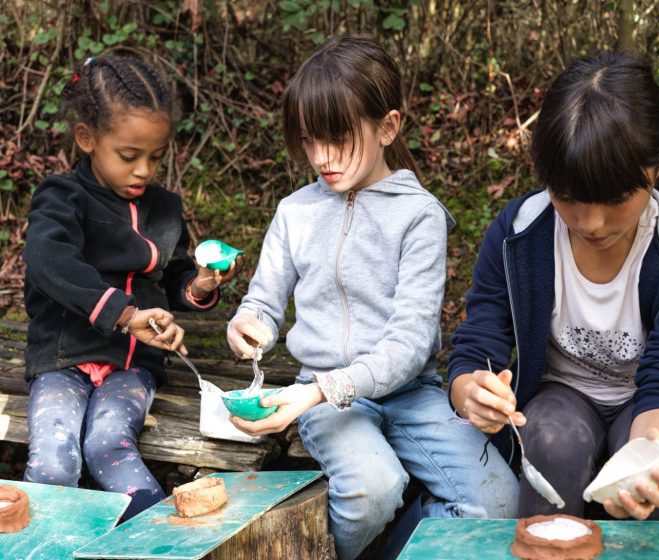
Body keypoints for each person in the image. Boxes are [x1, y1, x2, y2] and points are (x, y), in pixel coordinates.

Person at [226, 35, 520, 560]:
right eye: (309, 141)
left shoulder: (419, 216)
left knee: (497, 502)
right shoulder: (295, 212)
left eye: (337, 139)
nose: (321, 157)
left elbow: (410, 342)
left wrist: (320, 392)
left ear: (387, 126)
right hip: (322, 390)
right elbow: (264, 304)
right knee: (373, 487)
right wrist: (251, 326)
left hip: (410, 392)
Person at [447, 51, 659, 556]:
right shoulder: (518, 235)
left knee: (653, 483)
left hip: (646, 403)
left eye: (616, 199)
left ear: (656, 165)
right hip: (560, 394)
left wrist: (646, 448)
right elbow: (479, 343)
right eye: (568, 196)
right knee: (551, 443)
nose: (591, 223)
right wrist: (470, 390)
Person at [23, 54, 236, 519]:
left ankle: (156, 539)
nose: (143, 170)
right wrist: (124, 314)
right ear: (87, 139)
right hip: (63, 358)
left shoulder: (163, 208)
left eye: (155, 157)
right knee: (54, 458)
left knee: (109, 446)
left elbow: (172, 274)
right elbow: (47, 260)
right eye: (128, 156)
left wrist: (197, 286)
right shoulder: (62, 197)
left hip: (133, 366)